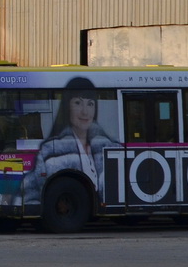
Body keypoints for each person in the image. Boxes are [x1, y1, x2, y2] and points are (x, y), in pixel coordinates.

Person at [20, 77, 118, 205]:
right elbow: (29, 197)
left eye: (90, 104)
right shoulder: (49, 152)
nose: (85, 111)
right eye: (78, 102)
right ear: (67, 106)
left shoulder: (109, 147)